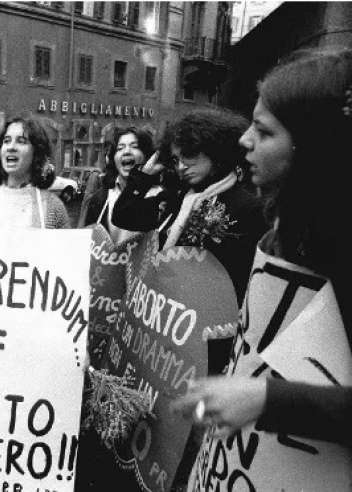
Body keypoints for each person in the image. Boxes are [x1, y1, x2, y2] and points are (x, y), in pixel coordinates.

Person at [172, 48, 352, 460]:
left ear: (315, 147)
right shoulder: (291, 223)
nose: (245, 141)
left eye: (265, 132)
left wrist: (265, 399)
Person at [113, 109, 267, 306]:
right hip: (165, 314)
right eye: (176, 159)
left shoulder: (247, 207)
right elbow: (123, 215)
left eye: (189, 154)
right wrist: (145, 175)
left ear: (216, 151)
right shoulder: (175, 199)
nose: (181, 166)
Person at [0, 116, 69, 229]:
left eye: (21, 141)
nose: (11, 147)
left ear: (37, 152)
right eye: (6, 141)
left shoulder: (53, 208)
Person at [77, 126, 155, 243]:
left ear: (147, 156)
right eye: (120, 148)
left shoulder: (160, 196)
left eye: (134, 147)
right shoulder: (100, 199)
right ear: (113, 158)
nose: (126, 151)